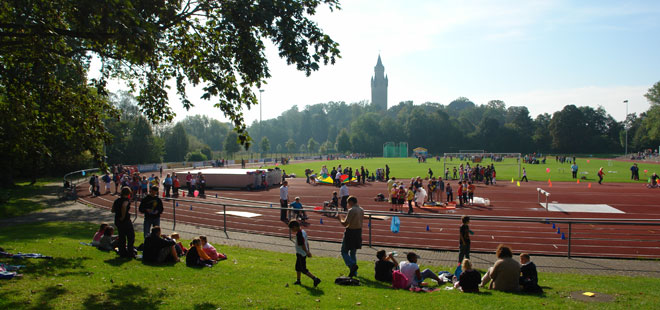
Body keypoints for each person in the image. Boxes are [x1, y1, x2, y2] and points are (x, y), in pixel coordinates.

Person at [288, 220, 321, 287]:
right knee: (297, 267)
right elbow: (307, 242)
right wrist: (308, 250)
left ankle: (315, 279)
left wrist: (307, 252)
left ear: (294, 227)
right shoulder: (303, 231)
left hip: (301, 253)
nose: (291, 231)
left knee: (303, 269)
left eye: (291, 229)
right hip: (301, 253)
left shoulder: (299, 234)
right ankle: (298, 280)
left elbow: (302, 245)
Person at [338, 196, 363, 277]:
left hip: (350, 232)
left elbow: (345, 223)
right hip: (358, 232)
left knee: (344, 251)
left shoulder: (352, 210)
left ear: (351, 202)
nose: (348, 205)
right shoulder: (361, 209)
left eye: (348, 203)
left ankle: (352, 265)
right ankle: (354, 272)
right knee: (353, 253)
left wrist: (340, 218)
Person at [111, 187, 135, 258]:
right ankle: (130, 252)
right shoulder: (126, 200)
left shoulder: (117, 200)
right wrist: (123, 216)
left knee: (122, 236)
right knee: (131, 236)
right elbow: (124, 206)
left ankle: (122, 252)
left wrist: (118, 212)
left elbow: (112, 210)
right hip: (125, 220)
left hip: (117, 220)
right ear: (128, 193)